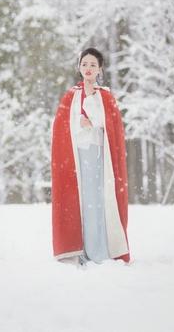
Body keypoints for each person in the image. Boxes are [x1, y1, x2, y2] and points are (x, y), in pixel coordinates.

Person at [51, 46, 131, 267]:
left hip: (100, 157)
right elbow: (62, 128)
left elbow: (113, 128)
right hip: (77, 159)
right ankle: (83, 249)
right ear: (79, 67)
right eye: (84, 64)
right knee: (82, 203)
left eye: (92, 65)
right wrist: (80, 124)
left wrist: (94, 121)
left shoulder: (105, 97)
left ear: (100, 69)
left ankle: (102, 249)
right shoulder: (70, 97)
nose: (88, 68)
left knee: (99, 201)